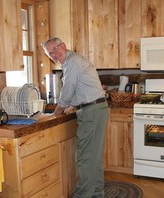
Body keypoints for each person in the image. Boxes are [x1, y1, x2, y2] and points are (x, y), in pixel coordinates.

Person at [41, 37, 109, 198]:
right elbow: (78, 91)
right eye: (50, 54)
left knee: (85, 157)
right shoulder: (72, 62)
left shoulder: (72, 62)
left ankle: (83, 195)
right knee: (94, 156)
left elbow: (68, 90)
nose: (54, 55)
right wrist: (71, 106)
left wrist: (57, 113)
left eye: (55, 50)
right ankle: (97, 193)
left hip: (91, 111)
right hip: (97, 108)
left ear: (63, 46)